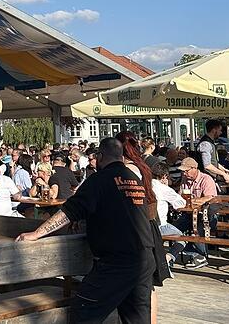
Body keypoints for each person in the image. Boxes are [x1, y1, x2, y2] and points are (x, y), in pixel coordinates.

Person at [16, 137, 156, 323]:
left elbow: (68, 212)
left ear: (100, 156)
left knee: (84, 310)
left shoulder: (99, 179)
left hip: (117, 261)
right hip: (144, 257)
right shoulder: (133, 179)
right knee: (136, 318)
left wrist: (35, 234)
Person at [151, 164, 187, 269]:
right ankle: (168, 258)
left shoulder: (144, 184)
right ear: (164, 176)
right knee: (183, 238)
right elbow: (181, 203)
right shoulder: (162, 188)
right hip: (159, 226)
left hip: (144, 225)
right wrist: (166, 188)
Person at [196, 120, 229, 184]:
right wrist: (223, 174)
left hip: (210, 178)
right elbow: (207, 165)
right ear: (214, 130)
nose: (221, 133)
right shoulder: (205, 144)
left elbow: (212, 161)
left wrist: (223, 169)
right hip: (205, 180)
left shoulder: (210, 142)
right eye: (220, 130)